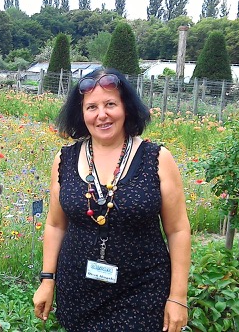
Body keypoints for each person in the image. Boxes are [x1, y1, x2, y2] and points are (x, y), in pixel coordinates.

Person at [33, 68, 191, 331]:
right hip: (78, 290)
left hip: (142, 291)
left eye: (110, 104)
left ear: (126, 107)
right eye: (91, 107)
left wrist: (178, 297)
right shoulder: (65, 159)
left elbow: (178, 230)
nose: (101, 115)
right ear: (81, 114)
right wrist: (47, 279)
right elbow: (55, 225)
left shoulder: (157, 159)